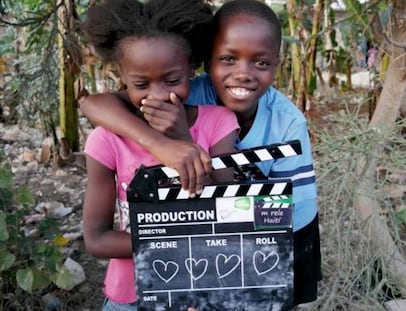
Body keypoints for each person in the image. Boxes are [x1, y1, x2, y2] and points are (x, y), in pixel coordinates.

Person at [81, 0, 322, 308]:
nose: (243, 74)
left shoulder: (286, 124)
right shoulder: (185, 90)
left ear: (277, 63)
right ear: (206, 63)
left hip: (275, 231)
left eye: (260, 63)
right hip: (160, 274)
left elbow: (276, 221)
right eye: (228, 59)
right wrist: (161, 144)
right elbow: (94, 104)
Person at [80, 0, 240, 310]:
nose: (157, 95)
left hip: (200, 290)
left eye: (172, 80)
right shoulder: (106, 141)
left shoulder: (218, 123)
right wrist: (161, 145)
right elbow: (97, 240)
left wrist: (181, 138)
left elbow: (227, 217)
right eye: (141, 83)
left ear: (191, 70)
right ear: (122, 76)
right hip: (131, 296)